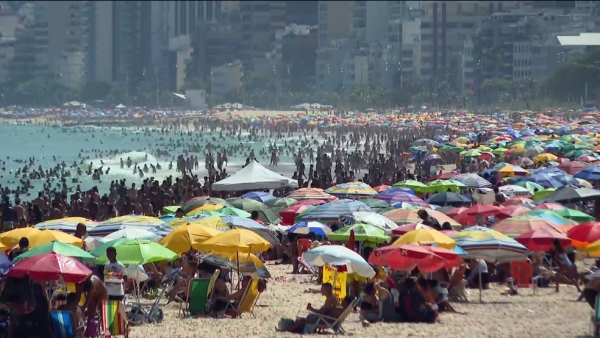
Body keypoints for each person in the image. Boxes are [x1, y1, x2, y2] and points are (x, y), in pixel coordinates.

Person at [276, 283, 343, 333]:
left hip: (326, 320)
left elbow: (322, 313)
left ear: (327, 290)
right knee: (306, 318)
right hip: (328, 319)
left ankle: (285, 330)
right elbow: (324, 312)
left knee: (301, 320)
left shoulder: (330, 299)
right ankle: (292, 328)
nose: (321, 290)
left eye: (322, 289)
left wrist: (311, 309)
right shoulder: (331, 298)